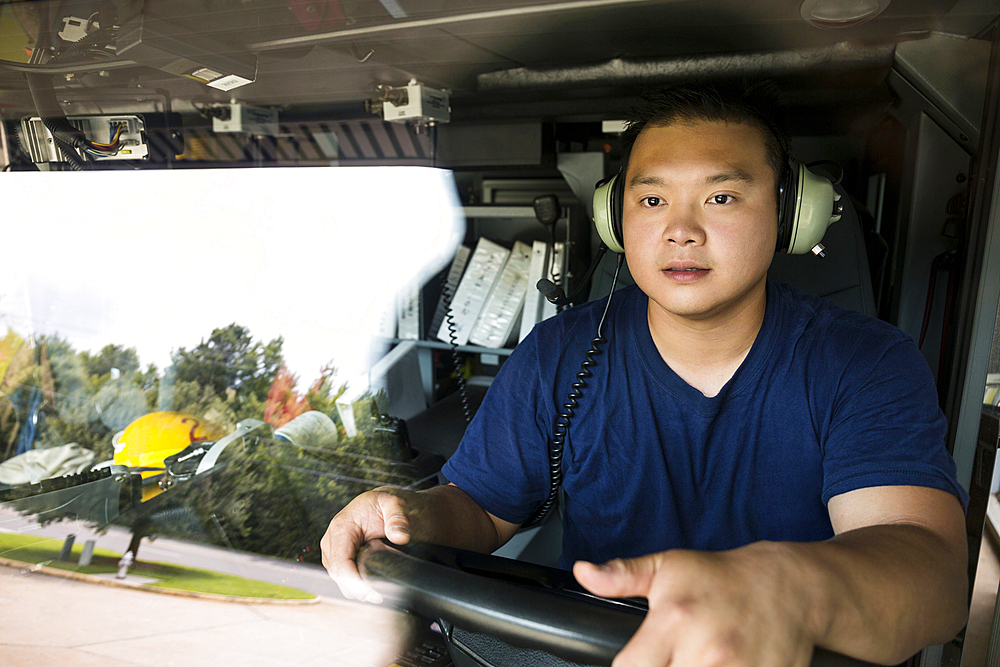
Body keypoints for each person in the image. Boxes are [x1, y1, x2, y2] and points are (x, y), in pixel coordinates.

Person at [322, 82, 970, 667]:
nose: (681, 231)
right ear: (616, 219)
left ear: (790, 214)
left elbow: (932, 577)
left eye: (720, 196)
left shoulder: (866, 361)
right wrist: (407, 516)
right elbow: (479, 509)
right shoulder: (558, 353)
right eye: (653, 198)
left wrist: (792, 588)